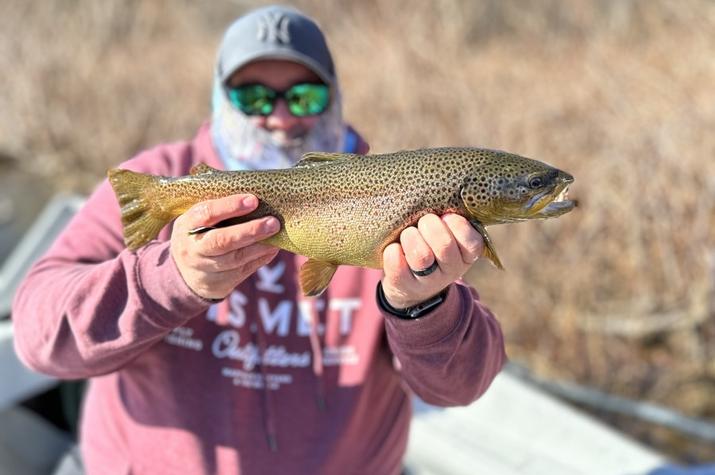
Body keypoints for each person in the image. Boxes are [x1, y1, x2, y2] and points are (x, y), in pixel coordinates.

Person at [12, 5, 506, 475]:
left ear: (334, 100)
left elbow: (462, 385)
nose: (281, 117)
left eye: (305, 97)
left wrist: (422, 304)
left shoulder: (392, 190)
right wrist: (170, 278)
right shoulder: (162, 182)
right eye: (253, 97)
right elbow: (39, 339)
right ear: (218, 98)